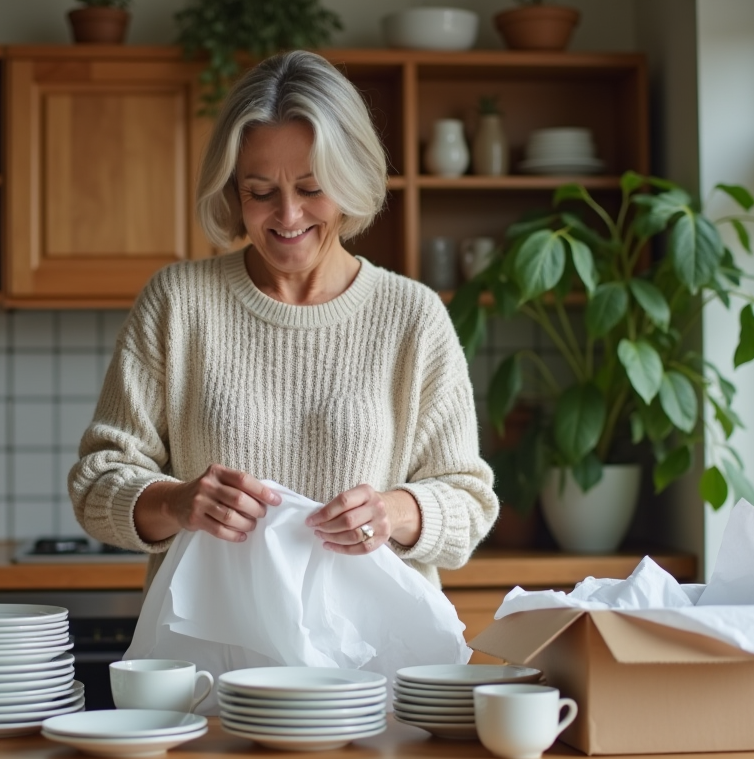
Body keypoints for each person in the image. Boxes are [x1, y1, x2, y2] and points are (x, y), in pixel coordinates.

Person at [68, 50, 498, 594]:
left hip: (369, 659)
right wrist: (176, 503)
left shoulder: (413, 317)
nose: (288, 216)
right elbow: (96, 485)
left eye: (312, 189)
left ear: (350, 180)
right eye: (261, 192)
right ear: (232, 192)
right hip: (212, 656)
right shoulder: (178, 305)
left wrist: (396, 511)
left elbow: (469, 500)